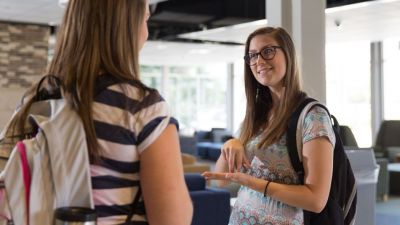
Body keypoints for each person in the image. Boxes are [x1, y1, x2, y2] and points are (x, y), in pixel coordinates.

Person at [10, 0, 193, 224]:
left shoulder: (34, 100)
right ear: (127, 26)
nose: (146, 32)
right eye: (145, 19)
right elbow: (173, 220)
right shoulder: (140, 108)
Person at [202, 27, 335, 225]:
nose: (259, 61)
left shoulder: (313, 116)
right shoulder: (257, 116)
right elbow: (221, 181)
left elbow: (316, 200)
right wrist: (230, 145)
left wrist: (253, 183)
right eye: (252, 56)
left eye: (268, 51)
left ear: (288, 54)